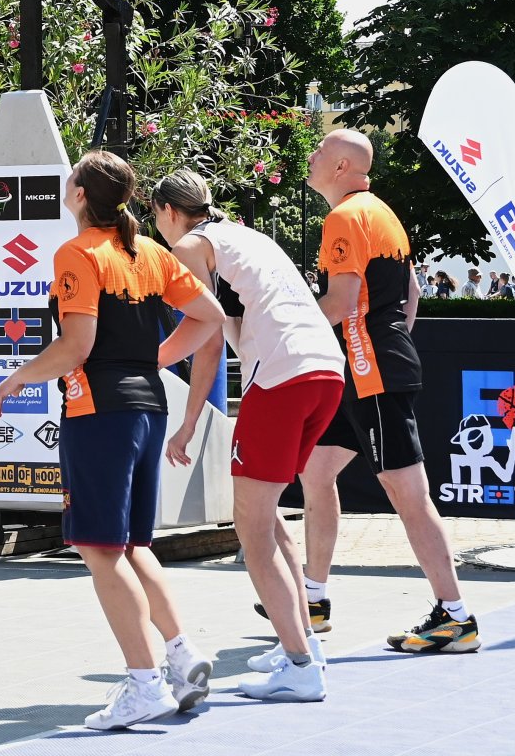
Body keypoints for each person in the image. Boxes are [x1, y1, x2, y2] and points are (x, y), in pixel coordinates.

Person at [0, 150, 226, 730]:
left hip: (101, 412)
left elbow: (76, 346)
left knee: (99, 549)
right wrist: (153, 360)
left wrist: (19, 375)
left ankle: (145, 683)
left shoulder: (79, 253)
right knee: (129, 546)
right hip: (146, 410)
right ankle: (180, 655)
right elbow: (211, 315)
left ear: (78, 195)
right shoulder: (147, 251)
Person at [150, 170, 344, 704]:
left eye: (155, 217)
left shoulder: (191, 244)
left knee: (252, 531)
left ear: (168, 212)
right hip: (326, 371)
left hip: (283, 376)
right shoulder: (246, 236)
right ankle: (302, 647)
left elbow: (205, 338)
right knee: (269, 516)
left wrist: (158, 380)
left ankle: (302, 667)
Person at [295, 130, 478, 654]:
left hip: (370, 370)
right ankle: (314, 596)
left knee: (409, 496)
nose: (309, 156)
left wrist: (277, 325)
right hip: (364, 366)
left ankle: (456, 615)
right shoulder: (381, 213)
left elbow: (340, 301)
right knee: (317, 470)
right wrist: (386, 342)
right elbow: (412, 293)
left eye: (318, 150)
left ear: (341, 165)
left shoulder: (346, 217)